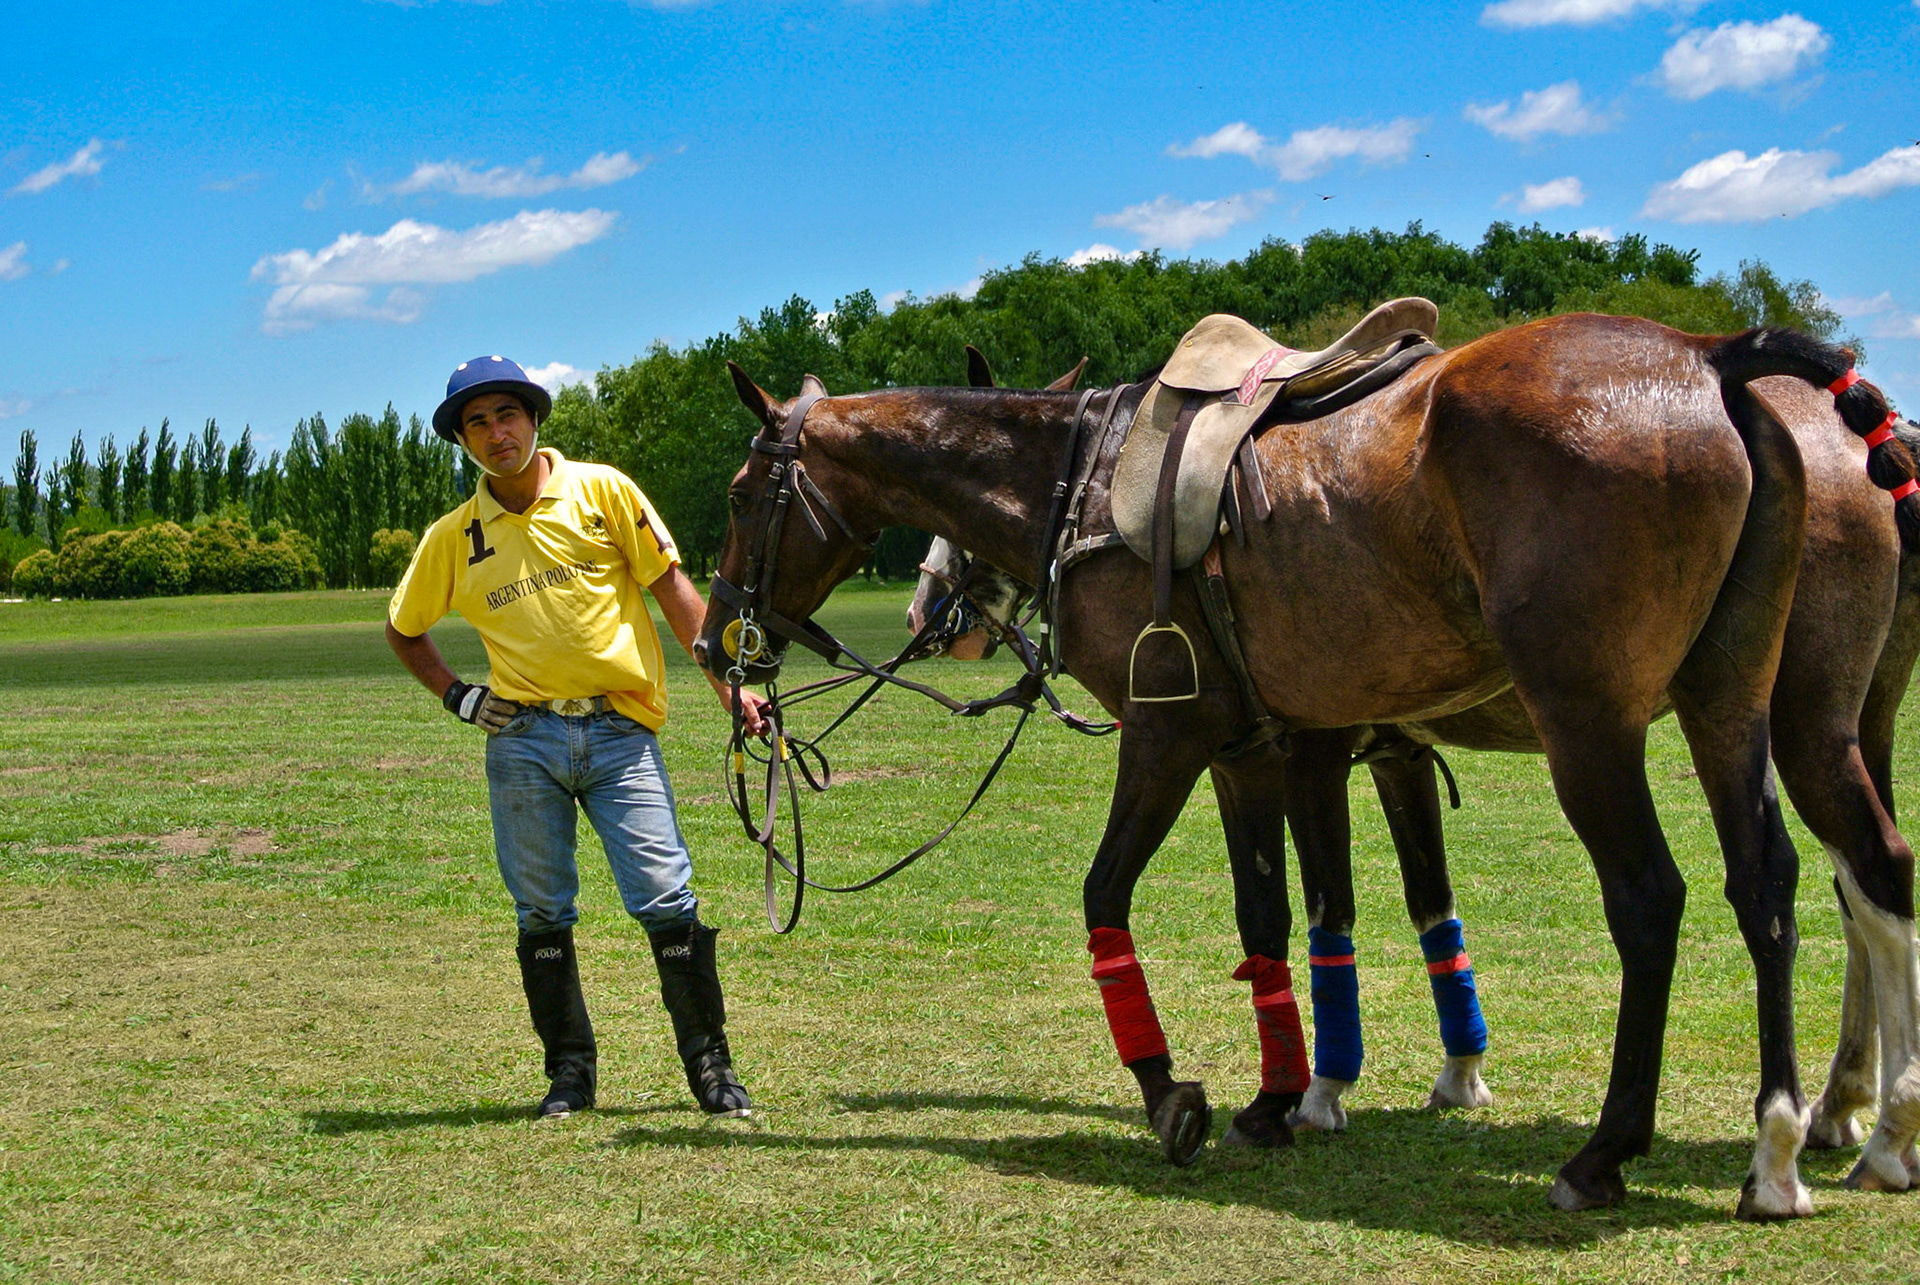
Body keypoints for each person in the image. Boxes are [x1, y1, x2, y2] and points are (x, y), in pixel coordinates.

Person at [385, 354, 768, 1120]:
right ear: (462, 440)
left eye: (508, 415)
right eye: (478, 423)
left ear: (534, 417)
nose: (498, 434)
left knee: (666, 895)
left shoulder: (604, 490)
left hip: (620, 731)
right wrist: (459, 697)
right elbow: (404, 629)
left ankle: (712, 1068)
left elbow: (671, 590)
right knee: (541, 909)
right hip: (522, 739)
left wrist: (728, 683)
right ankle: (569, 1074)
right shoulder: (454, 537)